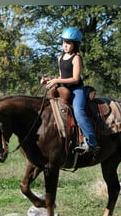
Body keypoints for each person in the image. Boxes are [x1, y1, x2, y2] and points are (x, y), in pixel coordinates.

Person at [41, 27, 98, 155]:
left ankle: (92, 143)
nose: (65, 45)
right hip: (65, 89)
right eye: (63, 42)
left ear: (75, 44)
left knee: (78, 111)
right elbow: (62, 77)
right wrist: (50, 80)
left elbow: (75, 79)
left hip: (77, 90)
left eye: (68, 43)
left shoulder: (76, 58)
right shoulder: (60, 58)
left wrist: (56, 80)